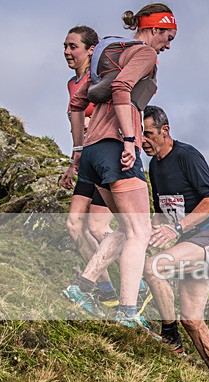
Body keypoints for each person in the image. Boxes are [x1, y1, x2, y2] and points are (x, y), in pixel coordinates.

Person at [64, 3, 176, 327]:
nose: (168, 45)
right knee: (140, 231)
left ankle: (83, 287)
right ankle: (127, 312)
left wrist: (77, 150)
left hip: (92, 152)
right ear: (154, 28)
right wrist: (129, 139)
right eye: (168, 37)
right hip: (116, 149)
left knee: (127, 229)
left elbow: (76, 103)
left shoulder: (109, 52)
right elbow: (121, 87)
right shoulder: (144, 53)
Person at [141, 105, 209, 373]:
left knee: (153, 268)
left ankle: (169, 335)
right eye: (140, 135)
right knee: (192, 319)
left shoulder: (187, 156)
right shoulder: (154, 166)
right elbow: (161, 211)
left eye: (148, 134)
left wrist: (177, 228)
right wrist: (150, 233)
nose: (143, 141)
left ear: (165, 130)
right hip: (189, 241)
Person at [59, 26, 120, 307]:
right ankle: (106, 290)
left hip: (107, 161)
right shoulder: (72, 84)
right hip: (85, 161)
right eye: (65, 46)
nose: (67, 52)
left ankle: (139, 278)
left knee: (98, 228)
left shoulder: (102, 79)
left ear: (91, 50)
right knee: (74, 225)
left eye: (73, 46)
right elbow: (78, 130)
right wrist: (73, 163)